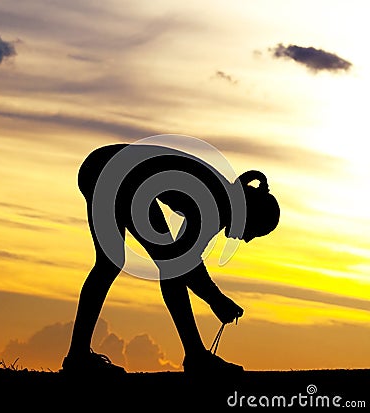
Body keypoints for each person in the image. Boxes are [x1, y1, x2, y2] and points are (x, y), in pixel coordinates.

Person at [62, 143, 280, 375]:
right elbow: (185, 264)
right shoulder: (214, 205)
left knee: (151, 262)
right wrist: (216, 299)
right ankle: (79, 357)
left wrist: (214, 298)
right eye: (254, 232)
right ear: (249, 213)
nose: (247, 240)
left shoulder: (221, 200)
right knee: (117, 264)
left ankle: (194, 354)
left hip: (112, 169)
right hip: (112, 171)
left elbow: (181, 262)